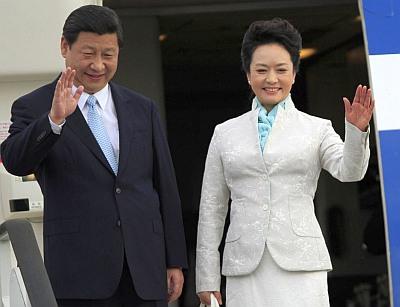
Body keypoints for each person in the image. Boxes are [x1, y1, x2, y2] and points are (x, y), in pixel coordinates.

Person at [1, 5, 187, 307]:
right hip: (79, 271)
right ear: (65, 46)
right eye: (88, 54)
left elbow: (164, 187)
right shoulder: (34, 105)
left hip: (144, 269)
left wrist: (174, 259)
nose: (98, 65)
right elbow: (14, 160)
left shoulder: (142, 108)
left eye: (108, 55)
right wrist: (54, 121)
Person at [196, 18, 374, 307]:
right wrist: (206, 278)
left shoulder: (316, 128)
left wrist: (356, 132)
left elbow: (350, 172)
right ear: (247, 74)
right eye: (261, 70)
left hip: (301, 264)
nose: (271, 79)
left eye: (281, 70)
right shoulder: (224, 133)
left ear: (294, 73)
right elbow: (212, 208)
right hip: (244, 266)